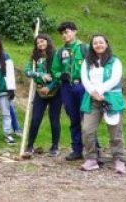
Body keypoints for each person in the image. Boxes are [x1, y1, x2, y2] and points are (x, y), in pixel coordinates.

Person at [80, 34, 126, 174]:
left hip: (111, 99)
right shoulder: (87, 61)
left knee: (115, 132)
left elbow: (114, 78)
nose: (98, 45)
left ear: (106, 44)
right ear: (92, 46)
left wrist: (99, 91)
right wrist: (93, 92)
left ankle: (119, 159)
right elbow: (84, 79)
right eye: (95, 43)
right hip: (92, 99)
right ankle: (91, 159)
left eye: (101, 42)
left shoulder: (115, 61)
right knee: (87, 130)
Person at [51, 21, 89, 161]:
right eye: (62, 33)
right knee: (73, 118)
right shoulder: (60, 52)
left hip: (83, 86)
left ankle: (93, 150)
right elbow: (55, 70)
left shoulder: (85, 48)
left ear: (75, 31)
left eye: (66, 32)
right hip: (66, 87)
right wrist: (60, 75)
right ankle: (77, 150)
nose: (64, 35)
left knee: (88, 118)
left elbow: (95, 67)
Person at [24, 34, 62, 157]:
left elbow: (59, 75)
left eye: (42, 41)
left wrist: (49, 87)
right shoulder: (35, 58)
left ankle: (55, 146)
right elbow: (27, 71)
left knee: (54, 119)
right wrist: (40, 75)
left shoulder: (56, 55)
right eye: (38, 43)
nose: (40, 44)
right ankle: (30, 146)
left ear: (47, 41)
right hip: (40, 91)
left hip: (56, 91)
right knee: (35, 119)